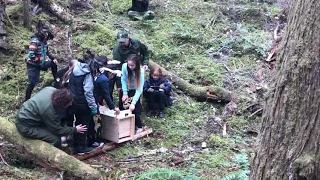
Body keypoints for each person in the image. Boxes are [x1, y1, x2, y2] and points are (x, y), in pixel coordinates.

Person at [15, 87, 87, 148]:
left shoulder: (50, 89)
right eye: (69, 103)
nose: (71, 104)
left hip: (25, 115)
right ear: (62, 103)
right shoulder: (49, 111)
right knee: (56, 139)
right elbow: (57, 130)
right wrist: (75, 129)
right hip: (26, 127)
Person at [68, 54, 98, 154]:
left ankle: (75, 144)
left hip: (73, 101)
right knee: (84, 124)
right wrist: (93, 107)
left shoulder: (75, 69)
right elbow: (88, 92)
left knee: (77, 123)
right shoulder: (87, 74)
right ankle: (81, 148)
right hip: (83, 104)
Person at [88, 55, 121, 147]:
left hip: (90, 100)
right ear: (111, 73)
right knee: (96, 120)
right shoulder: (104, 79)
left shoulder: (96, 74)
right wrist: (114, 108)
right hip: (92, 102)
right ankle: (93, 140)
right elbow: (106, 96)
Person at [112, 31, 150, 109]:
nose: (121, 43)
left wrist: (145, 63)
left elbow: (145, 52)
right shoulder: (117, 50)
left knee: (137, 89)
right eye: (120, 42)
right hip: (126, 71)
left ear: (128, 38)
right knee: (123, 92)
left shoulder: (136, 42)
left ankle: (136, 105)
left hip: (138, 69)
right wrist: (119, 85)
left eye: (123, 41)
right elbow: (118, 69)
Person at [25, 20, 58, 101]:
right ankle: (26, 100)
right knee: (32, 83)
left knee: (54, 64)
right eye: (45, 32)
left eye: (47, 32)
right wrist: (39, 60)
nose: (46, 34)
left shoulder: (44, 41)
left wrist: (53, 58)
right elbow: (31, 55)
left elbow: (47, 51)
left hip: (41, 63)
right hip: (33, 65)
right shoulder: (35, 41)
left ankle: (56, 81)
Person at [121, 54, 145, 133]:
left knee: (135, 110)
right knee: (123, 107)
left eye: (132, 65)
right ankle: (125, 125)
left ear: (137, 64)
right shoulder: (124, 66)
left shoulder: (141, 72)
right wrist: (125, 93)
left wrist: (133, 103)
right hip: (127, 88)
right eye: (129, 65)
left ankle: (139, 126)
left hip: (136, 90)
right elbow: (123, 79)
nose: (130, 67)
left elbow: (139, 89)